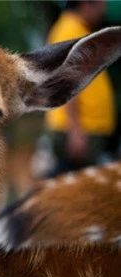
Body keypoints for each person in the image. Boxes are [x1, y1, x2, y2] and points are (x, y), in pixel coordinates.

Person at [38, 0, 116, 177]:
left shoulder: (79, 29)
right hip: (77, 131)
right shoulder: (69, 30)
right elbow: (66, 83)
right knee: (72, 190)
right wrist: (75, 130)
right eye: (101, 5)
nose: (103, 11)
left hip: (84, 129)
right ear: (86, 4)